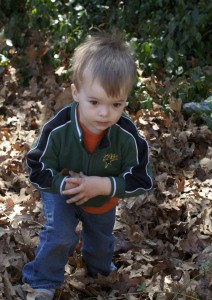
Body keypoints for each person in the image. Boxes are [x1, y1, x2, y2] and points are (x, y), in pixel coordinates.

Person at [22, 31, 153, 300]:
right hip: (63, 188)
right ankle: (41, 281)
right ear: (76, 93)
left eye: (116, 104)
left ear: (125, 100)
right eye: (94, 102)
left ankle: (100, 272)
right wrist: (61, 184)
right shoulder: (59, 130)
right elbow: (36, 166)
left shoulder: (126, 136)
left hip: (103, 195)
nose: (105, 113)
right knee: (60, 235)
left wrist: (104, 185)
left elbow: (141, 177)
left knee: (101, 241)